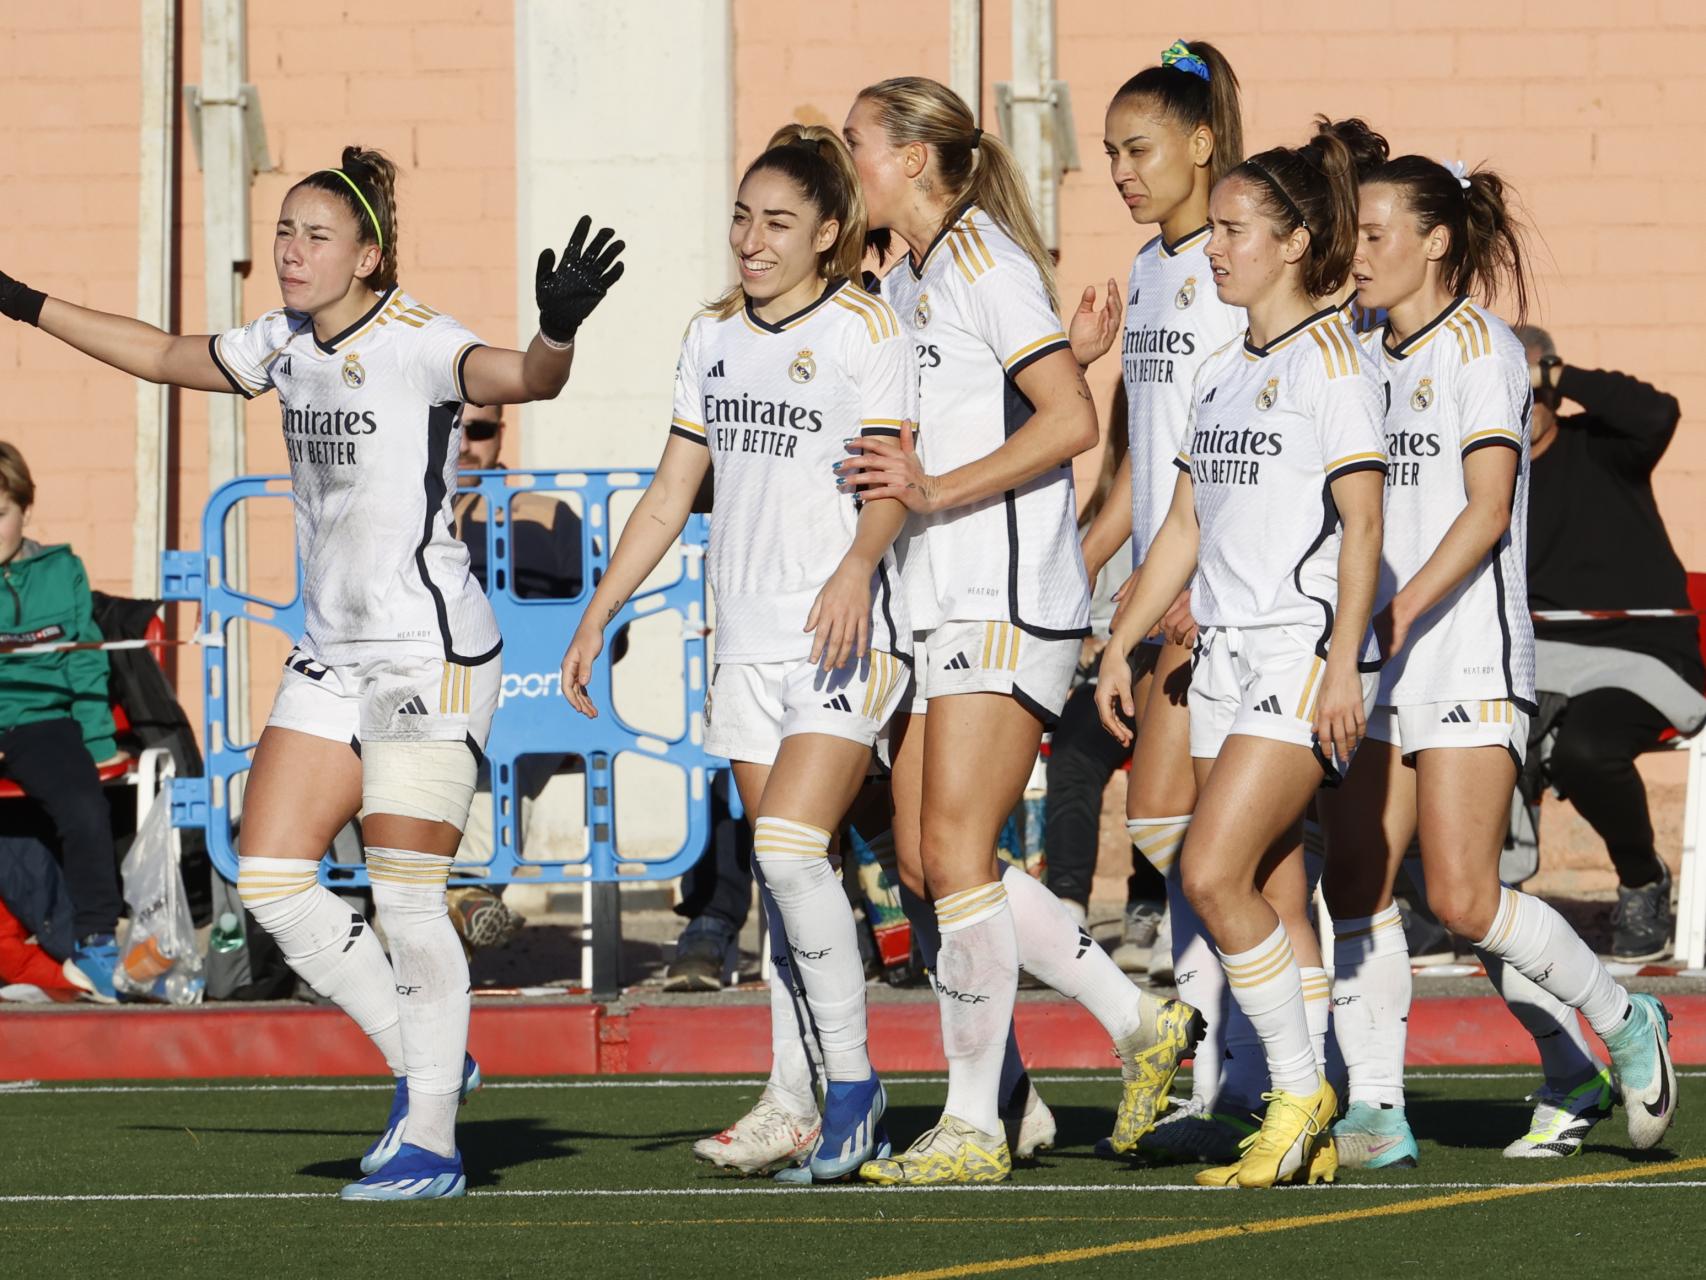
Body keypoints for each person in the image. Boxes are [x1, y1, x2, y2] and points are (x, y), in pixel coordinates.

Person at [0, 144, 626, 1200]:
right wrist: (17, 299)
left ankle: (431, 1136)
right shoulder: (281, 341)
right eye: (284, 231)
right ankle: (431, 1055)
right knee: (277, 877)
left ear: (368, 256)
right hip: (332, 651)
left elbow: (525, 378)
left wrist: (556, 327)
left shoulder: (421, 341)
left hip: (430, 652)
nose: (291, 251)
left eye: (316, 235)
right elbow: (159, 353)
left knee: (405, 897)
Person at [839, 76, 1200, 1187]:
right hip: (938, 597)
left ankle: (972, 1125)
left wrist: (935, 488)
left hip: (1003, 594)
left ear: (909, 157)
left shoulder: (984, 259)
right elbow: (993, 399)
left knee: (951, 858)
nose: (846, 159)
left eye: (857, 142)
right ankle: (1131, 1020)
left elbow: (1067, 421)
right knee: (922, 858)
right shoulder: (922, 268)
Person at [562, 123, 914, 1182]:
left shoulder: (863, 330)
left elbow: (891, 481)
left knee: (792, 851)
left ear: (824, 233)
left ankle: (854, 1087)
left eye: (775, 223)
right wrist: (599, 610)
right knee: (786, 872)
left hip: (837, 636)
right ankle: (790, 1093)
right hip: (744, 645)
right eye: (740, 218)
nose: (750, 241)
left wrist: (857, 565)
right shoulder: (709, 337)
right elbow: (673, 489)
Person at [1319, 154, 1678, 1170]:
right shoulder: (1353, 345)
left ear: (1435, 241)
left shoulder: (1481, 351)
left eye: (1376, 232)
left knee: (1467, 897)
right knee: (1355, 876)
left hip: (1463, 652)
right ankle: (1377, 1113)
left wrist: (1393, 615)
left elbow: (1482, 514)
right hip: (1374, 656)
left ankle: (1620, 1021)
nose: (1358, 251)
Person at [1098, 127, 1387, 1188]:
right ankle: (1301, 1117)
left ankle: (1298, 1091)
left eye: (1231, 230)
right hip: (1216, 655)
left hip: (1293, 654)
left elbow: (1362, 528)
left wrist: (1345, 661)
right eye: (1212, 228)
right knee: (1264, 877)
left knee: (1210, 870)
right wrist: (1119, 639)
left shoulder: (1335, 367)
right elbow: (1180, 521)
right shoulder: (1224, 368)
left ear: (1293, 239)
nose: (1211, 248)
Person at [1071, 39, 1278, 1166]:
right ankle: (1228, 1070)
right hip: (1161, 592)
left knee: (1210, 847)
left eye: (1136, 148)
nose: (1119, 170)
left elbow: (1244, 448)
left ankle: (1268, 1074)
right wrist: (1090, 566)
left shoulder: (1233, 267)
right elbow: (1142, 460)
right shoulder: (1149, 270)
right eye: (1108, 153)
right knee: (1178, 840)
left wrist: (1200, 574)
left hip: (1222, 598)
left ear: (1201, 145)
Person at [1519, 326, 1704, 961]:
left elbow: (1659, 411)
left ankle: (1641, 880)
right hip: (1539, 660)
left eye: (1530, 391)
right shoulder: (1486, 476)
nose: (1518, 407)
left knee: (1586, 749)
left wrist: (1557, 374)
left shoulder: (1603, 448)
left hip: (1643, 653)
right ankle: (1445, 903)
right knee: (1455, 734)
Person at [0, 442, 128, 999]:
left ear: (25, 510)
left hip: (39, 723)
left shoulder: (63, 569)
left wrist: (99, 741)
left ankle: (97, 942)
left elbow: (84, 657)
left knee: (83, 805)